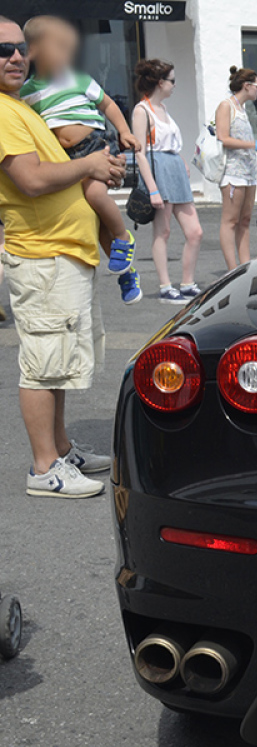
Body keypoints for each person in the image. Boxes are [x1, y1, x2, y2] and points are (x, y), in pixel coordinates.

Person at [0, 15, 124, 497]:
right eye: (2, 50)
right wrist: (89, 163)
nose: (15, 57)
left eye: (17, 48)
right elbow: (30, 181)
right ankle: (44, 468)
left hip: (62, 253)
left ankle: (61, 448)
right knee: (43, 364)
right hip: (43, 255)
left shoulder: (20, 106)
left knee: (59, 363)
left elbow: (58, 167)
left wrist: (94, 166)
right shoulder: (5, 112)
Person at [20, 15, 143, 304]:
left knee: (96, 195)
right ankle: (126, 273)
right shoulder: (27, 92)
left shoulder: (79, 79)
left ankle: (123, 237)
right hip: (65, 158)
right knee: (93, 219)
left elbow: (108, 104)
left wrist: (124, 131)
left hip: (93, 147)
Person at [131, 59, 203, 303]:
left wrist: (181, 161)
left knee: (195, 232)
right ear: (160, 82)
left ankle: (187, 282)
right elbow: (140, 152)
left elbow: (170, 142)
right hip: (158, 169)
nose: (174, 85)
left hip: (173, 168)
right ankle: (165, 285)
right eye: (172, 80)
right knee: (163, 231)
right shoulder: (142, 110)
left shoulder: (162, 108)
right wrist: (152, 188)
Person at [215, 66, 257, 270]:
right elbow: (223, 137)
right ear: (247, 86)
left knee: (245, 219)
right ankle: (232, 268)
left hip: (248, 171)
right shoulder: (226, 106)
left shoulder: (243, 109)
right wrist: (255, 145)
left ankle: (245, 265)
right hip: (233, 171)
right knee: (230, 220)